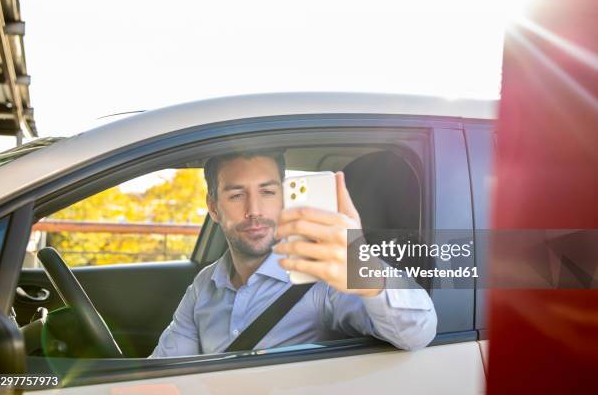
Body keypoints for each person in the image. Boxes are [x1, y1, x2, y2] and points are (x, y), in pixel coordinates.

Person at [149, 151, 436, 357]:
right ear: (213, 207)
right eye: (236, 195)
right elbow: (167, 365)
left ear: (284, 198)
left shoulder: (322, 274)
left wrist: (365, 273)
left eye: (268, 192)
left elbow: (417, 333)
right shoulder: (204, 285)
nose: (254, 211)